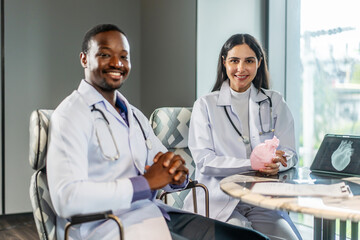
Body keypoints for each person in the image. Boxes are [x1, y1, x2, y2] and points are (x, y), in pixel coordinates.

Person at [47, 24, 270, 240]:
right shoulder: (70, 115)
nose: (117, 63)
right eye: (105, 55)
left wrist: (177, 176)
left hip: (156, 215)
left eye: (124, 56)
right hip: (110, 227)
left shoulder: (133, 115)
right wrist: (146, 183)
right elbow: (66, 198)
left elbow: (162, 166)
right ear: (84, 59)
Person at [182, 33, 303, 240]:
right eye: (234, 60)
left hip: (261, 200)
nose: (241, 68)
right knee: (246, 237)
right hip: (218, 199)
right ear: (224, 62)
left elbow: (291, 153)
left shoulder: (274, 102)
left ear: (259, 63)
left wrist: (279, 163)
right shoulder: (205, 105)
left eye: (249, 61)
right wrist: (253, 164)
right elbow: (205, 162)